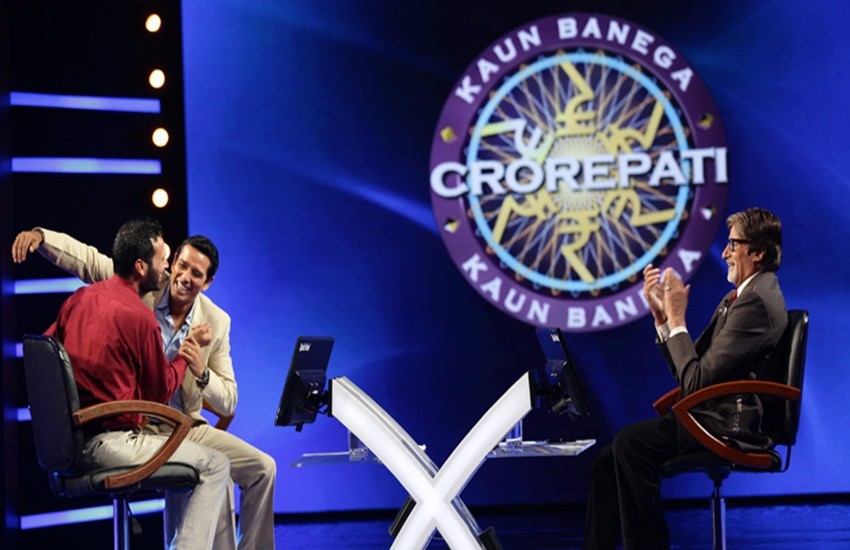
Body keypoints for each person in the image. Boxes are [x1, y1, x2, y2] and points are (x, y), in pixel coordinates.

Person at [12, 227, 277, 550]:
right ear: (170, 262)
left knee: (263, 468)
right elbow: (88, 259)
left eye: (196, 274)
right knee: (212, 468)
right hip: (136, 424)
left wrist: (202, 371)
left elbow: (228, 401)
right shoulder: (143, 288)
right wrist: (42, 237)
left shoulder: (217, 321)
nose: (183, 276)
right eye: (180, 265)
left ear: (207, 283)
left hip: (184, 424)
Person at [583, 207, 788, 550]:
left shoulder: (756, 302)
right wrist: (664, 318)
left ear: (758, 252)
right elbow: (692, 372)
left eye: (733, 244)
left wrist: (678, 318)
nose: (725, 253)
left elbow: (694, 383)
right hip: (709, 411)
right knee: (609, 458)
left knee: (630, 445)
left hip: (729, 424)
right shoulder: (743, 296)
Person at [43, 218, 230, 550]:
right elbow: (159, 395)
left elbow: (46, 356)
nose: (168, 269)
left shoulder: (78, 299)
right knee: (216, 464)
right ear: (142, 267)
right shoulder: (142, 318)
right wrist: (187, 352)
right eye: (165, 261)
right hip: (110, 444)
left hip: (66, 444)